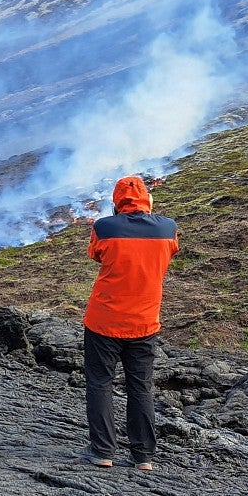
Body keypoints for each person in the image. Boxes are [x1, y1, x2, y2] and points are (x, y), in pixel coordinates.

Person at [81, 175, 178, 471]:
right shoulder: (168, 228)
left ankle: (102, 451)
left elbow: (96, 255)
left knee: (100, 383)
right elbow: (171, 253)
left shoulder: (104, 227)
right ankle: (143, 456)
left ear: (116, 201)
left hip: (104, 320)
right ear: (148, 199)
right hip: (145, 322)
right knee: (141, 387)